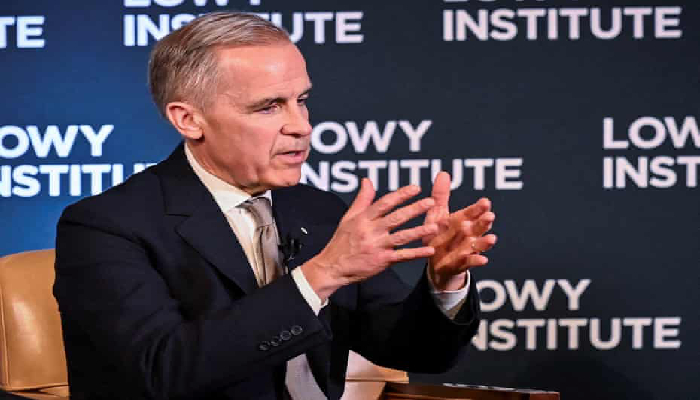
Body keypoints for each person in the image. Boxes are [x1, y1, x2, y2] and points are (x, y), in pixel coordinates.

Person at [53, 11, 497, 400]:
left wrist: (444, 282)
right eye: (269, 107)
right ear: (188, 120)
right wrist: (322, 274)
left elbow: (416, 352)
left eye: (301, 101)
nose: (301, 126)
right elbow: (161, 372)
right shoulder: (105, 227)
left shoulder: (317, 211)